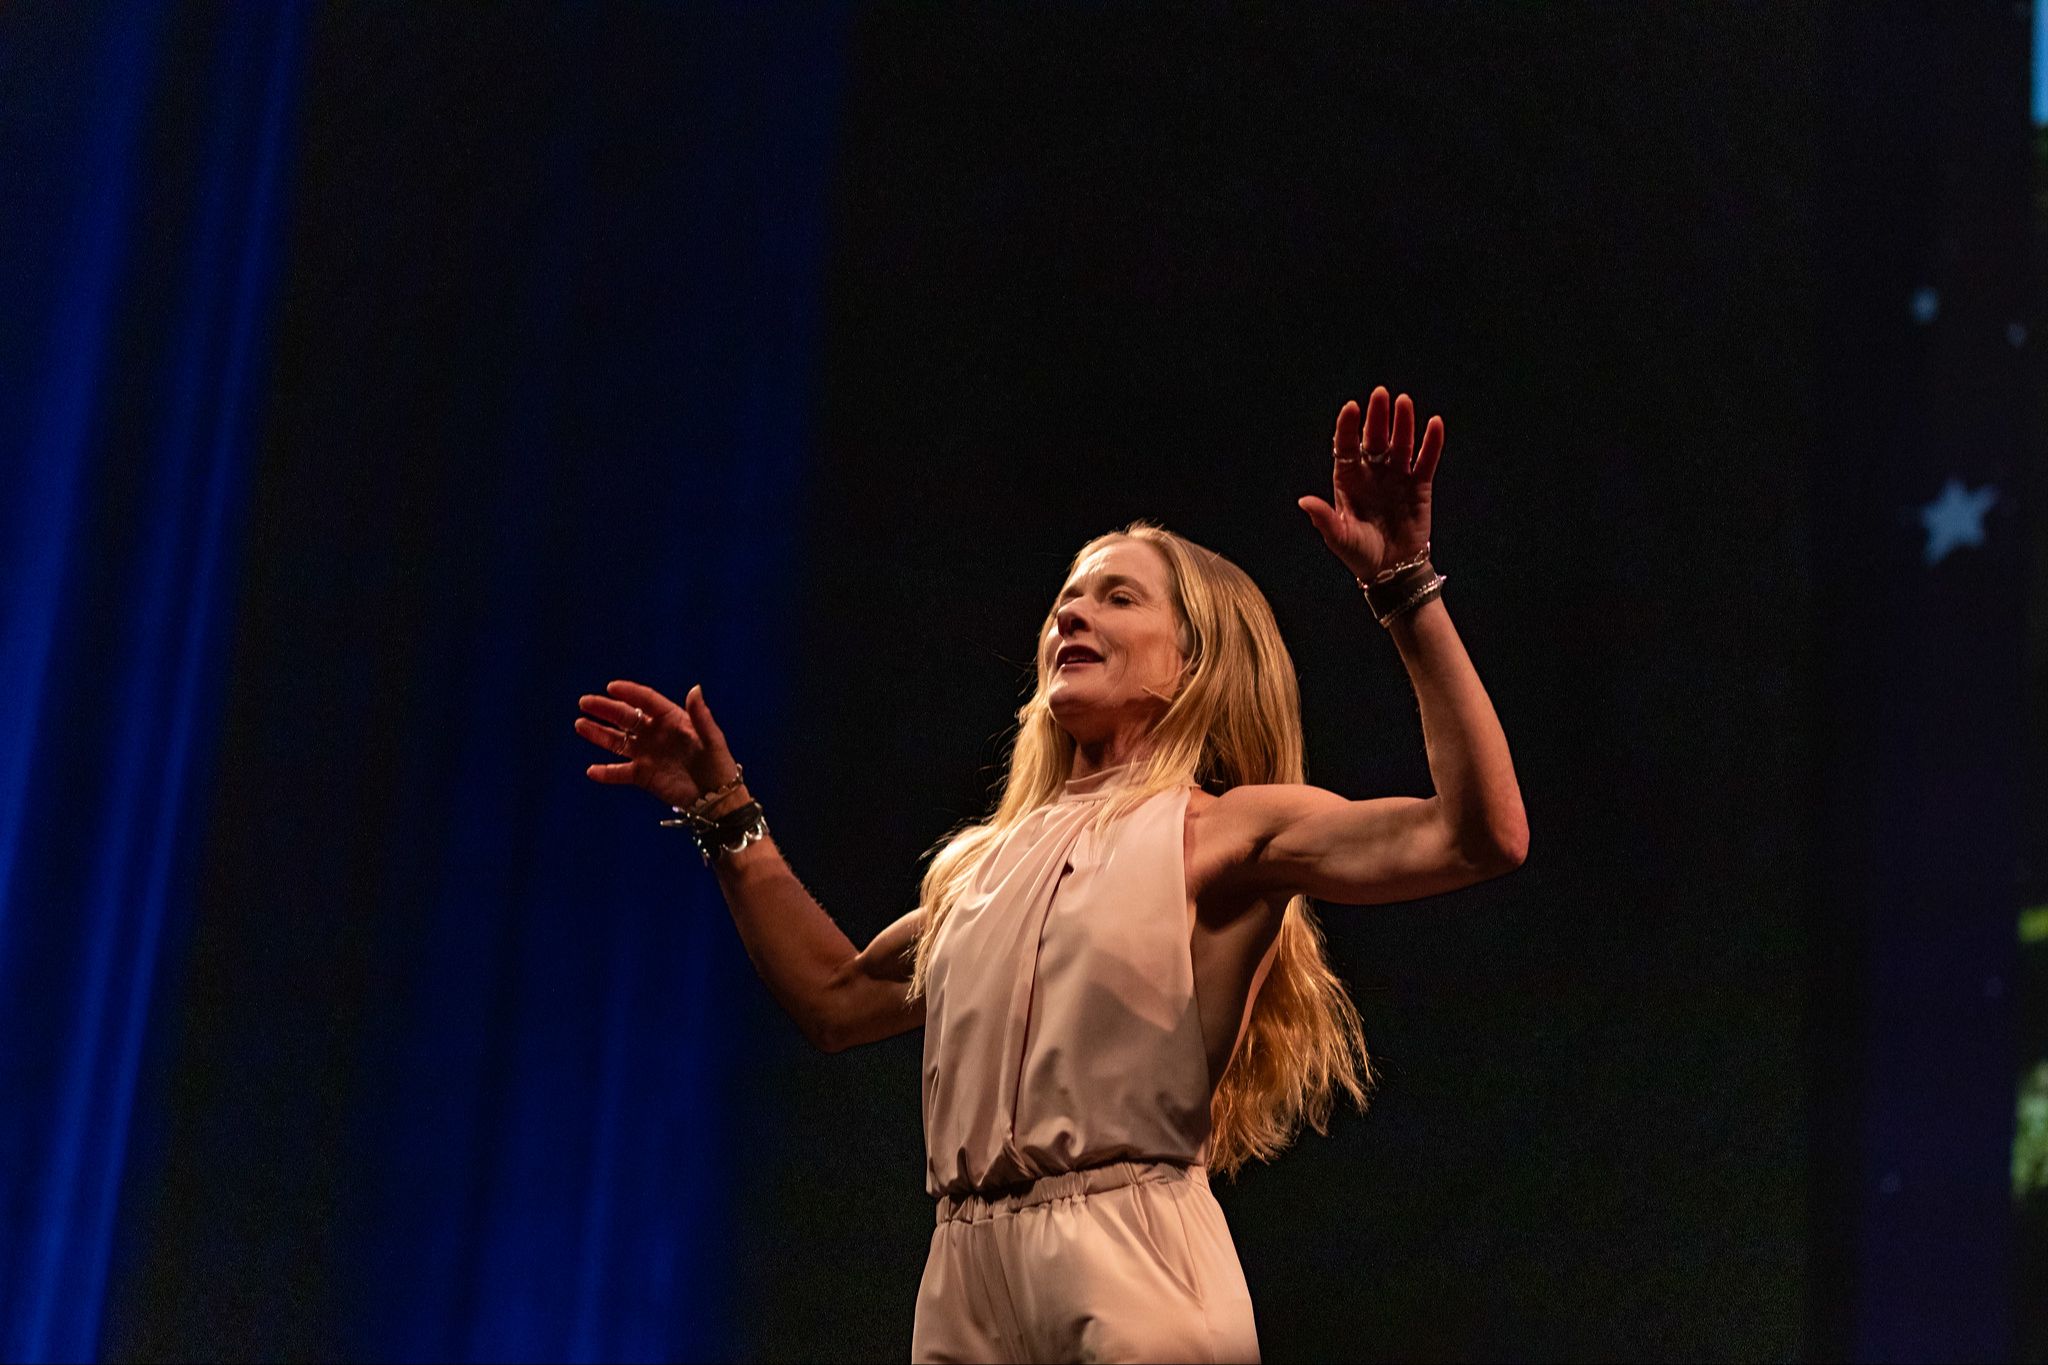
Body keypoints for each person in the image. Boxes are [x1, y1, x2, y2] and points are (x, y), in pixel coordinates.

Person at [574, 385, 1528, 1363]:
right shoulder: (979, 868)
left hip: (1131, 1254)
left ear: (1193, 659)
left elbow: (1476, 836)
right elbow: (834, 999)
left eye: (1118, 596)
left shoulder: (1222, 830)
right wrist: (725, 810)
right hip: (962, 1276)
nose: (1073, 609)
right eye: (1067, 597)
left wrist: (1404, 588)